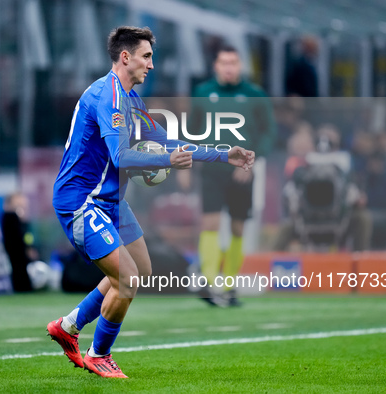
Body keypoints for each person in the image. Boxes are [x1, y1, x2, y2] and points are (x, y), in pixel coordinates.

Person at [46, 26, 255, 378]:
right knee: (126, 278)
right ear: (125, 57)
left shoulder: (130, 100)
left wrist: (223, 155)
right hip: (82, 201)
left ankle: (67, 326)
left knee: (141, 270)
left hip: (110, 201)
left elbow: (166, 140)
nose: (151, 65)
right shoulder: (108, 96)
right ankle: (99, 354)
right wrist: (165, 162)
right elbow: (121, 156)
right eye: (146, 56)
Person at [190, 44, 276, 307]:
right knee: (210, 223)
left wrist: (251, 160)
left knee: (238, 227)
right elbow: (192, 130)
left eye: (233, 63)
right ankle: (209, 282)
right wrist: (189, 161)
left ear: (240, 66)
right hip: (212, 169)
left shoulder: (255, 94)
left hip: (242, 172)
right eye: (224, 63)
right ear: (216, 66)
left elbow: (268, 132)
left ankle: (228, 287)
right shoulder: (203, 93)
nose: (229, 68)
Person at [1, 192, 38, 292]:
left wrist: (29, 247)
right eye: (19, 206)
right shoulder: (9, 219)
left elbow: (27, 237)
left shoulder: (25, 226)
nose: (22, 210)